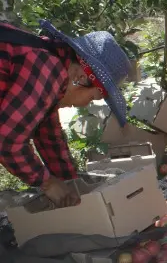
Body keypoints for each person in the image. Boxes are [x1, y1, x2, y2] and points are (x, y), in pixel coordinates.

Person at [0, 20, 131, 207]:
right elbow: (7, 142)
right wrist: (48, 183)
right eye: (92, 98)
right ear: (80, 78)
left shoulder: (50, 62)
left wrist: (70, 181)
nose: (85, 105)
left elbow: (48, 134)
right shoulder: (47, 68)